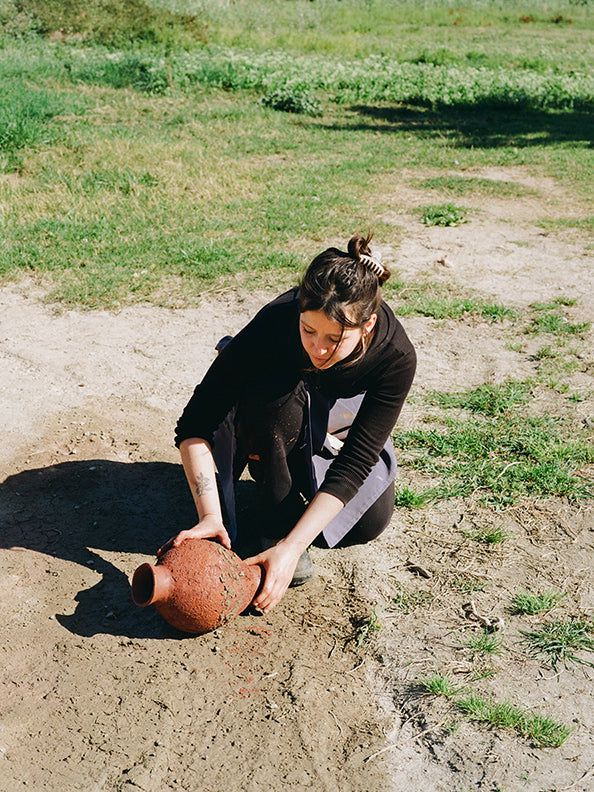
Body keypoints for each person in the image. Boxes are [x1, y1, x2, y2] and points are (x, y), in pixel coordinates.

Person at [161, 234, 416, 614]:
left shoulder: (396, 356)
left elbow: (357, 462)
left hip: (335, 406)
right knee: (274, 405)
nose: (318, 347)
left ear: (368, 325)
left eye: (335, 338)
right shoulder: (276, 322)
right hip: (275, 396)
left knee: (367, 523)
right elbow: (194, 423)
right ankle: (273, 517)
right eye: (309, 330)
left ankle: (292, 508)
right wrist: (210, 515)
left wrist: (295, 547)